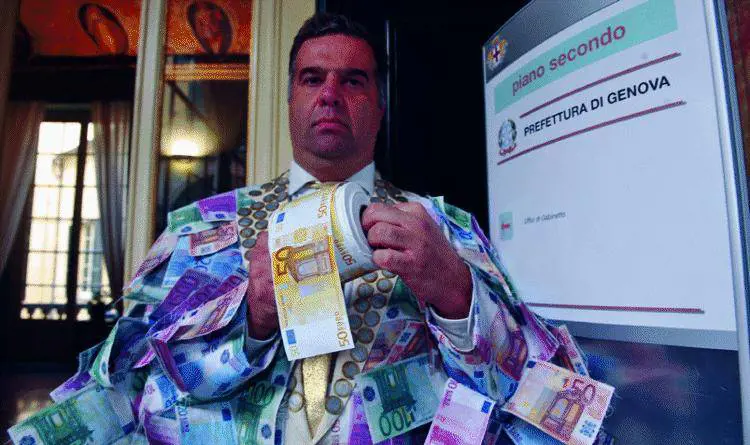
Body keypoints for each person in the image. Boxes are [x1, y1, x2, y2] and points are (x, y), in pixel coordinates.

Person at [8, 13, 538, 445]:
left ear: (379, 108)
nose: (330, 93)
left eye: (353, 81)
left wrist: (457, 294)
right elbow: (125, 383)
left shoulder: (442, 228)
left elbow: (525, 386)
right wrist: (251, 317)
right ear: (290, 103)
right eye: (312, 78)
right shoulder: (197, 227)